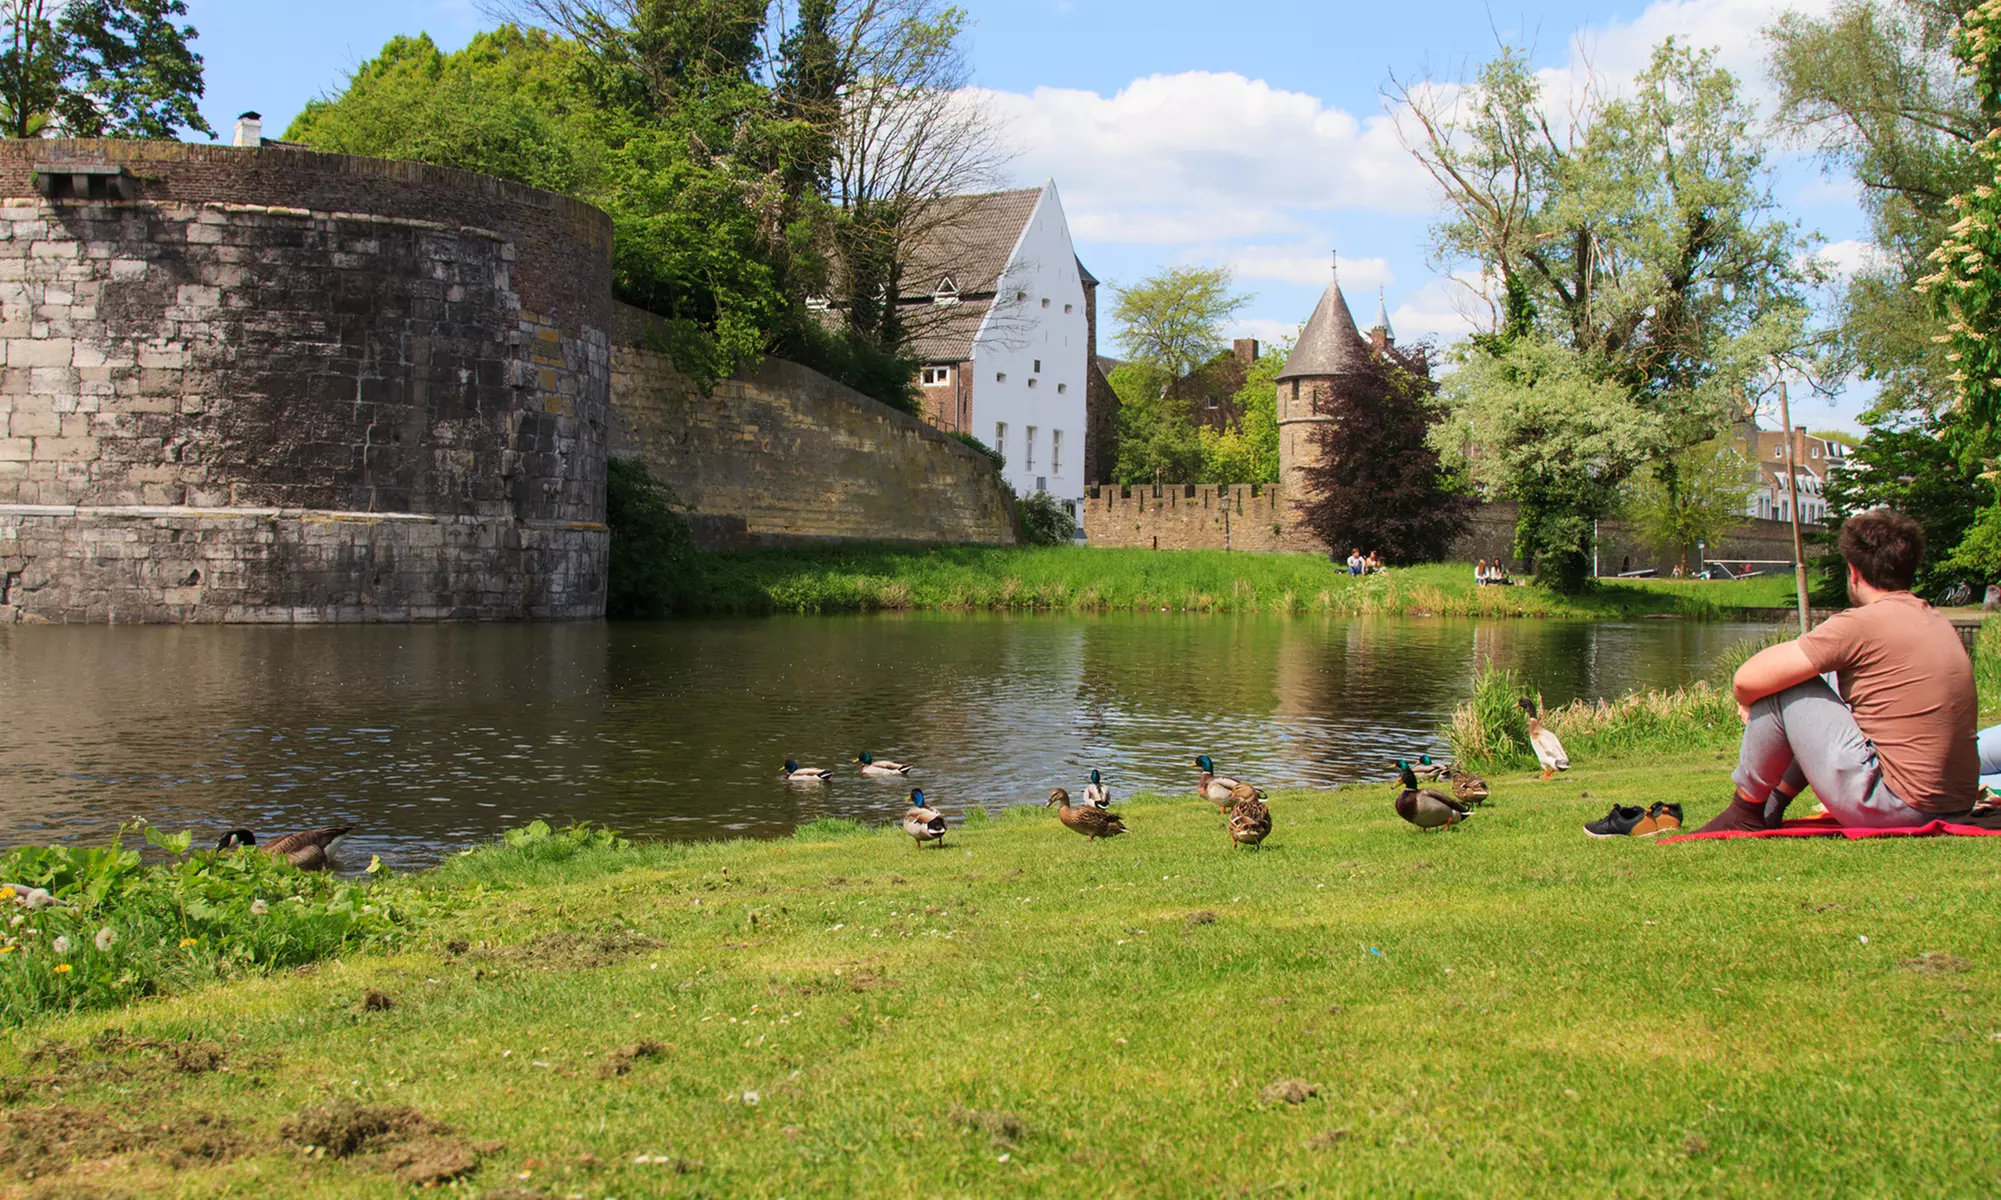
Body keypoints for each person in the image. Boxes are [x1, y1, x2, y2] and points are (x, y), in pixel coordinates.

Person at [1695, 508, 1976, 833]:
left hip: (1895, 807)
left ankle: (1745, 810)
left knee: (1785, 685)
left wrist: (1747, 701)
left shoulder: (1861, 624)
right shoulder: (1936, 620)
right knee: (1825, 679)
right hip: (1954, 805)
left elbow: (1746, 678)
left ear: (1853, 572)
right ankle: (1774, 803)